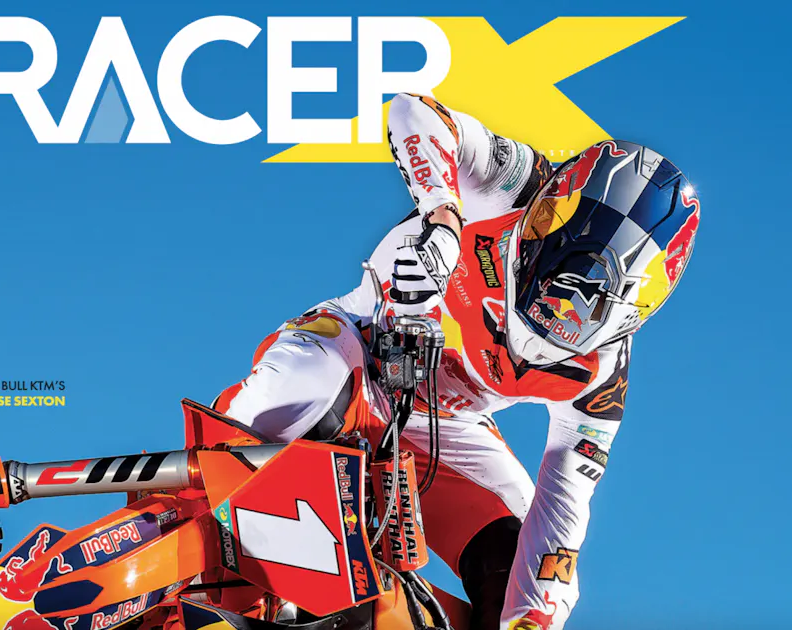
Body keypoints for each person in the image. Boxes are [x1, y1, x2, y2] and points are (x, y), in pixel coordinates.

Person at [213, 93, 700, 630]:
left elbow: (563, 508)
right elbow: (412, 111)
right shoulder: (517, 185)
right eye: (566, 274)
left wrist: (531, 620)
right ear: (549, 217)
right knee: (302, 384)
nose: (563, 310)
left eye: (593, 299)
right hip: (356, 352)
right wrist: (443, 218)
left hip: (445, 427)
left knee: (524, 573)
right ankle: (199, 494)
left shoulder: (600, 377)